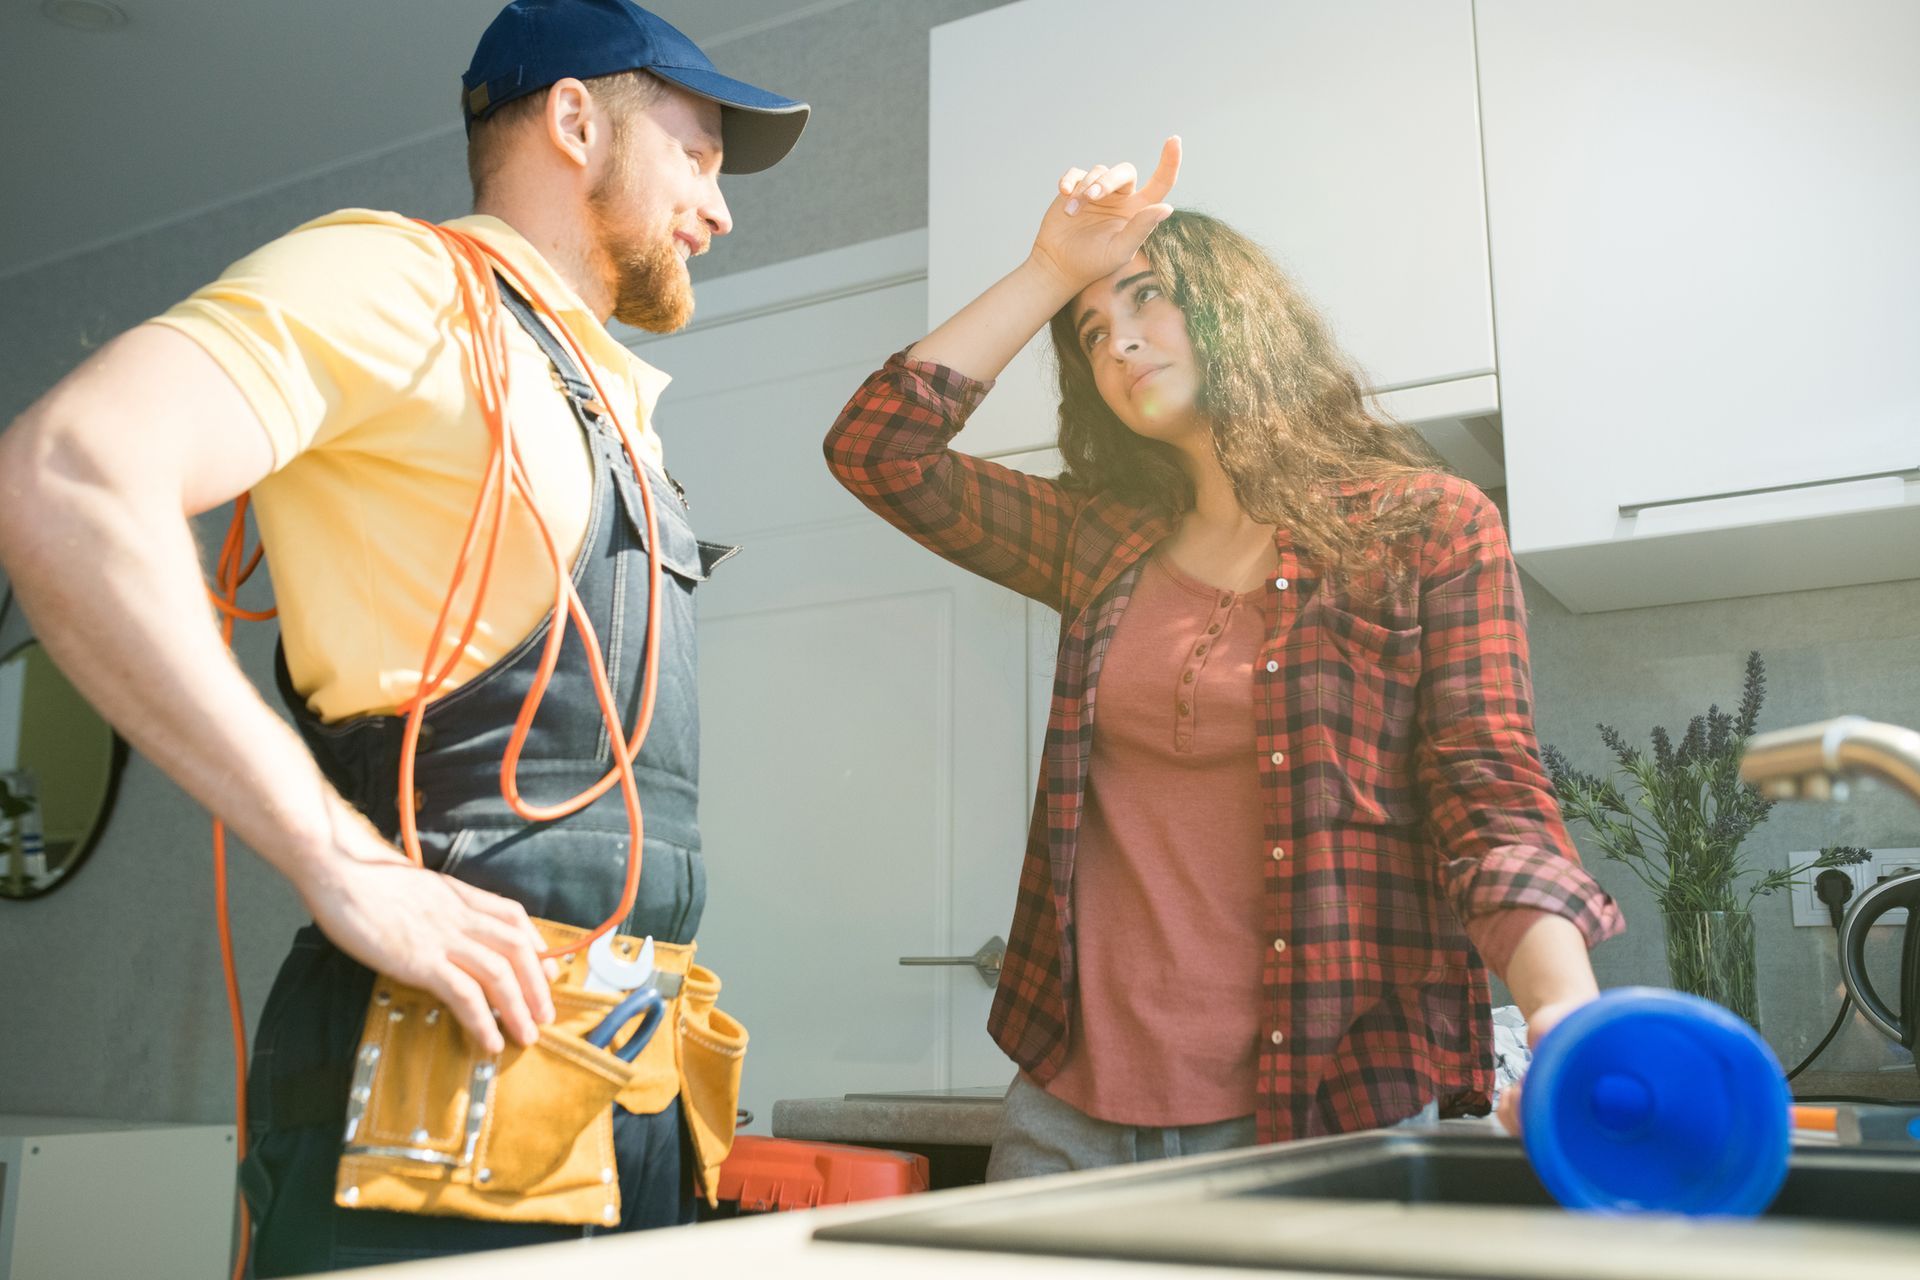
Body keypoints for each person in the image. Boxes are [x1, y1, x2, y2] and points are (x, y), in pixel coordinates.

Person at [0, 1, 806, 1271]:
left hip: (622, 1085)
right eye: (697, 155)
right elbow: (62, 475)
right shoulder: (404, 280)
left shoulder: (606, 397)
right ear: (575, 118)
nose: (719, 208)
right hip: (435, 1095)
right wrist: (343, 861)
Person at [824, 137, 1623, 1178]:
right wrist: (1052, 270)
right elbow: (878, 448)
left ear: (1238, 314)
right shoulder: (1096, 540)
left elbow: (1490, 785)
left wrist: (1560, 1006)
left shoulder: (1425, 527)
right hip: (1064, 1113)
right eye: (1092, 329)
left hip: (1328, 1108)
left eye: (1148, 296)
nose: (1117, 342)